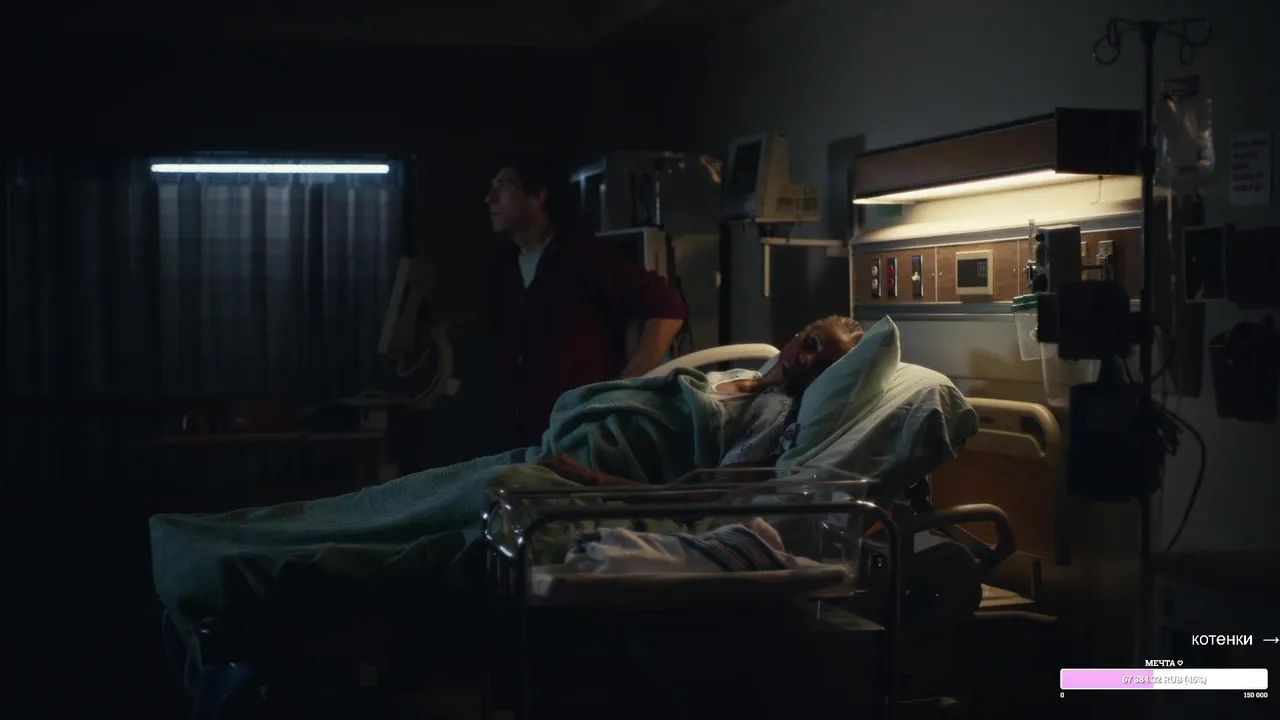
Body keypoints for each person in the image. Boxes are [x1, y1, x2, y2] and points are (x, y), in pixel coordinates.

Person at [486, 153, 687, 448]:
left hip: (576, 438)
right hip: (522, 442)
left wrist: (627, 385)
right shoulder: (503, 268)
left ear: (537, 195)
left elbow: (668, 307)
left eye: (503, 186)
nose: (490, 198)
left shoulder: (583, 256)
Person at [538, 315, 865, 487]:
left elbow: (705, 495)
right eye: (811, 344)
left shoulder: (776, 418)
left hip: (590, 468)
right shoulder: (744, 373)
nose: (807, 359)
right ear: (797, 335)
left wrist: (594, 480)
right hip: (568, 438)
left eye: (823, 366)